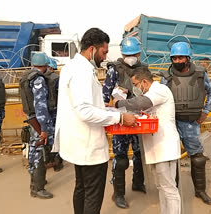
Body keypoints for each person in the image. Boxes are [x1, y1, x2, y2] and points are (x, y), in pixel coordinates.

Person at [52, 28, 136, 214]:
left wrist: (107, 109)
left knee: (81, 188)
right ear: (92, 49)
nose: (105, 56)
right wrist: (120, 116)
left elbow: (84, 105)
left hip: (77, 143)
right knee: (92, 194)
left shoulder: (71, 67)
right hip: (88, 146)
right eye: (104, 52)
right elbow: (84, 111)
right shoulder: (82, 71)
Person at [113, 68, 181, 213]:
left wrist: (119, 103)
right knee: (161, 187)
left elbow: (141, 103)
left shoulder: (160, 90)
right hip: (155, 147)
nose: (135, 88)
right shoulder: (150, 94)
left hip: (165, 145)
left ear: (144, 81)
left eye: (136, 84)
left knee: (169, 188)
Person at [161, 40, 211, 205]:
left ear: (188, 57)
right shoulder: (166, 77)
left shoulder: (200, 74)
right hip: (171, 121)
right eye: (174, 58)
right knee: (171, 158)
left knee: (198, 158)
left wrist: (206, 110)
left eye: (181, 58)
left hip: (191, 122)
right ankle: (174, 192)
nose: (177, 61)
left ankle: (200, 191)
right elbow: (160, 98)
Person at [102, 37, 147, 208]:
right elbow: (105, 97)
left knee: (139, 154)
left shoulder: (143, 69)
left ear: (139, 53)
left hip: (138, 119)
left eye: (133, 53)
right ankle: (118, 193)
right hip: (120, 120)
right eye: (127, 54)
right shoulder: (114, 70)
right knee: (120, 158)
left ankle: (138, 182)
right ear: (122, 54)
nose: (130, 57)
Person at [19, 52, 58, 199]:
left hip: (32, 118)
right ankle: (37, 188)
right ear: (46, 65)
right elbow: (41, 105)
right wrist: (44, 128)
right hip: (38, 122)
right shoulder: (39, 80)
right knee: (40, 153)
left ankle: (36, 183)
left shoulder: (26, 76)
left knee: (34, 152)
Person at [45, 57, 63, 172]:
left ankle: (47, 161)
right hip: (56, 111)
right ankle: (57, 162)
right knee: (57, 137)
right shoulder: (56, 78)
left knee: (46, 137)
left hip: (43, 113)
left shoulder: (37, 78)